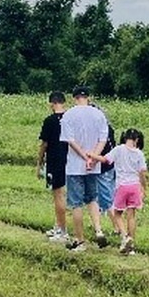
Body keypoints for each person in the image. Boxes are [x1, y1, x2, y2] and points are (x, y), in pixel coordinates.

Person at [60, 86, 110, 251]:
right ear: (88, 97)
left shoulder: (69, 115)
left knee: (76, 203)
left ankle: (80, 240)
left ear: (74, 98)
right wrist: (93, 158)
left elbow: (70, 140)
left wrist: (84, 156)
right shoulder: (99, 114)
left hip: (75, 165)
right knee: (92, 199)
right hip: (93, 166)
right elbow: (103, 139)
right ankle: (98, 230)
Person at [96, 128, 147, 255]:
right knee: (131, 216)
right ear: (137, 140)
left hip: (122, 186)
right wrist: (143, 188)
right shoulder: (139, 153)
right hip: (135, 186)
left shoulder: (119, 149)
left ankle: (125, 237)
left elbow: (106, 160)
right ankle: (132, 246)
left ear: (125, 138)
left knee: (117, 214)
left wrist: (93, 156)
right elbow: (142, 173)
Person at [37, 91, 70, 241]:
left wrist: (39, 162)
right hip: (71, 160)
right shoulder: (71, 118)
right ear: (64, 102)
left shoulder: (49, 121)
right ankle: (58, 225)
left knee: (58, 195)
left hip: (55, 160)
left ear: (51, 103)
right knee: (63, 195)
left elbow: (44, 144)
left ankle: (63, 232)